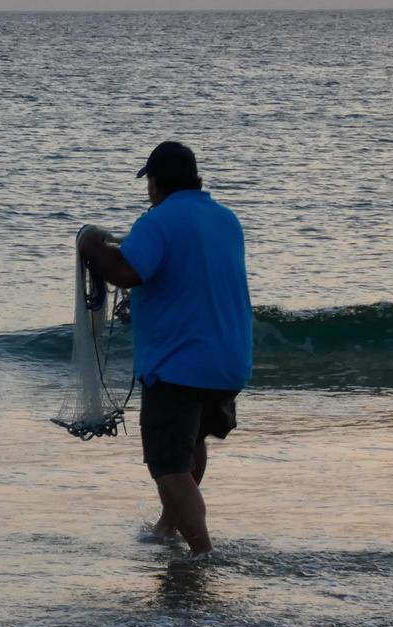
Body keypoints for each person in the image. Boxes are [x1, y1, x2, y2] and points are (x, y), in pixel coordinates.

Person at [76, 141, 253, 556]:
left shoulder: (157, 224)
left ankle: (203, 553)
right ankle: (167, 527)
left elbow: (125, 271)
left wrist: (90, 244)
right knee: (192, 445)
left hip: (180, 365)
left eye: (149, 182)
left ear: (155, 183)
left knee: (168, 465)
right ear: (194, 179)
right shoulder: (225, 219)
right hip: (229, 360)